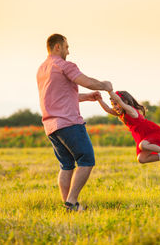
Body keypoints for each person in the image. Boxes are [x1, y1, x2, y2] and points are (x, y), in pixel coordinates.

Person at [36, 33, 112, 211]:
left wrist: (87, 97)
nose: (68, 52)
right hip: (69, 123)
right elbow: (86, 81)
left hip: (51, 126)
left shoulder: (42, 69)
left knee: (67, 165)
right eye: (67, 47)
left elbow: (61, 96)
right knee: (87, 159)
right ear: (58, 47)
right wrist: (104, 85)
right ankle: (71, 201)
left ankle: (69, 205)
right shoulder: (64, 65)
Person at [97, 90, 160, 166]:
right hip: (141, 136)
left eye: (115, 104)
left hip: (151, 131)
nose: (114, 107)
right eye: (112, 104)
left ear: (124, 102)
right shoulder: (122, 113)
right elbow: (108, 110)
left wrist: (109, 91)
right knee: (141, 159)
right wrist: (99, 99)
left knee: (143, 145)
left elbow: (120, 102)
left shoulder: (130, 110)